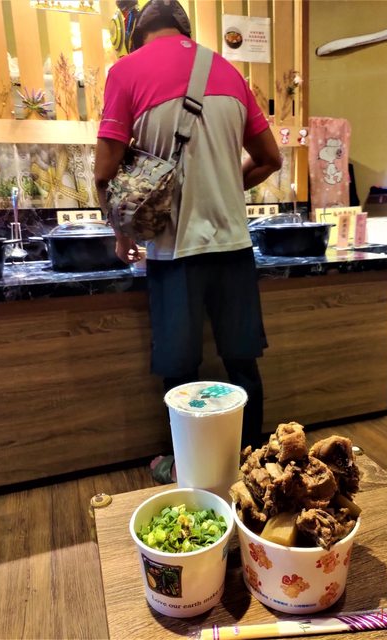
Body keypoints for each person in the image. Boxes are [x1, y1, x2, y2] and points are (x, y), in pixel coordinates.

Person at [94, 0, 282, 457]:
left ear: (138, 33)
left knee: (181, 372)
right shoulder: (231, 73)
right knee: (242, 365)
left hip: (173, 252)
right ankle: (250, 465)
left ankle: (187, 468)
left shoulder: (125, 71)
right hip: (235, 248)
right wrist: (223, 185)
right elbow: (270, 159)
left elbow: (103, 172)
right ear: (186, 30)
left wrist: (122, 234)